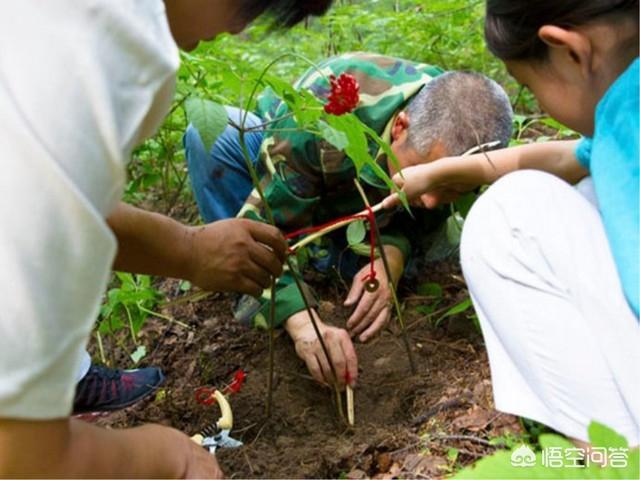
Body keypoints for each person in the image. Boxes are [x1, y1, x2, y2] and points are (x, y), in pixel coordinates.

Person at [0, 0, 333, 477]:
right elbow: (25, 462)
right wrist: (164, 457)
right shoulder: (95, 48)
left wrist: (189, 248)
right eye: (250, 11)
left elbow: (41, 200)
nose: (238, 33)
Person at [383, 0, 639, 446]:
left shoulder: (627, 123)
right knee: (584, 189)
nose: (536, 102)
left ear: (569, 52)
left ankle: (613, 459)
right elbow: (575, 156)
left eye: (528, 85)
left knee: (508, 217)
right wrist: (448, 171)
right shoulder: (624, 110)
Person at [184, 53, 514, 389]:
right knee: (212, 137)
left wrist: (391, 260)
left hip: (367, 207)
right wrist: (302, 322)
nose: (431, 201)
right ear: (400, 127)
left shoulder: (464, 117)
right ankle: (258, 288)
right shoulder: (319, 119)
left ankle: (340, 260)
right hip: (302, 166)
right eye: (422, 176)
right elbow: (264, 232)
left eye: (453, 189)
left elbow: (428, 215)